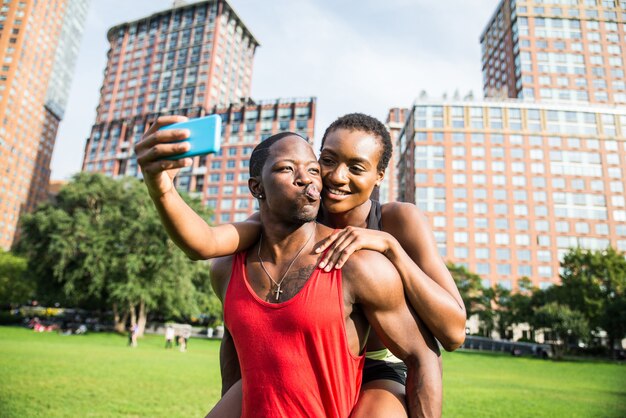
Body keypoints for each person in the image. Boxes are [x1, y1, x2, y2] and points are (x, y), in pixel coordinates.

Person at [136, 127, 440, 417]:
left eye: (312, 170)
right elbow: (203, 247)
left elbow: (424, 355)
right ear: (256, 187)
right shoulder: (227, 269)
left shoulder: (360, 265)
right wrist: (161, 185)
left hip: (378, 377)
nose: (305, 179)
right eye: (286, 169)